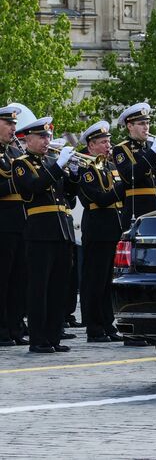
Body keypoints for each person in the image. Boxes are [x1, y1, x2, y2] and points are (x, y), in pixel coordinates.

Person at [10, 114, 77, 353]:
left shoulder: (51, 161)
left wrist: (73, 172)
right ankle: (38, 339)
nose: (46, 140)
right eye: (41, 136)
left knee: (59, 287)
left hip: (62, 231)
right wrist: (58, 167)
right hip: (40, 232)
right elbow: (33, 187)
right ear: (28, 139)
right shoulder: (21, 163)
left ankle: (53, 337)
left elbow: (70, 194)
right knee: (39, 287)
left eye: (48, 136)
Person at [76, 121, 124, 343]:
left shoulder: (109, 167)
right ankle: (94, 326)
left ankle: (107, 323)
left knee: (108, 281)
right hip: (97, 227)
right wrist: (124, 187)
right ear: (91, 145)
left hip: (113, 227)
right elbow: (100, 198)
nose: (108, 145)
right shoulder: (87, 170)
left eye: (108, 141)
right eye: (103, 142)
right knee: (95, 280)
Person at [0, 104, 29, 347]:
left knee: (19, 279)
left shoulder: (12, 153)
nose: (13, 128)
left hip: (20, 221)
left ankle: (15, 326)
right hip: (3, 222)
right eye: (8, 124)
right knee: (3, 278)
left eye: (13, 124)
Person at [112, 102, 156, 230]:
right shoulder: (121, 149)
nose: (146, 127)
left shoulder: (152, 147)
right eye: (141, 124)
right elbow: (129, 176)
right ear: (130, 126)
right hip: (137, 207)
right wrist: (153, 152)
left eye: (147, 123)